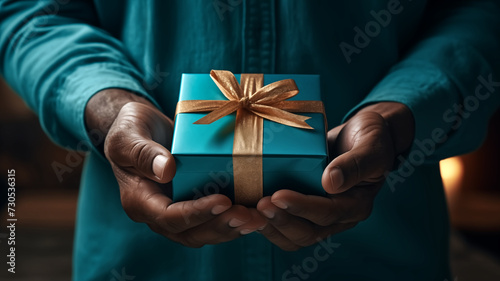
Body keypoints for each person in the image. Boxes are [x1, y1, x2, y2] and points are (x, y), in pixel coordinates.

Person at [1, 0, 499, 280]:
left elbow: (481, 13)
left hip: (379, 258)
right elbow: (30, 13)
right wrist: (108, 106)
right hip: (140, 263)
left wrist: (404, 112)